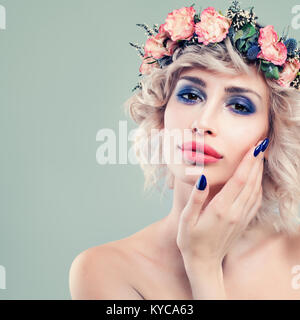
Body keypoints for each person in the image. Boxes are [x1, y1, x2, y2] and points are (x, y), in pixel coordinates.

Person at [69, 2, 300, 299]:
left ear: (270, 136)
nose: (203, 122)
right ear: (162, 117)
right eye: (190, 95)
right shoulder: (105, 270)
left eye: (239, 106)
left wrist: (204, 265)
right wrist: (202, 265)